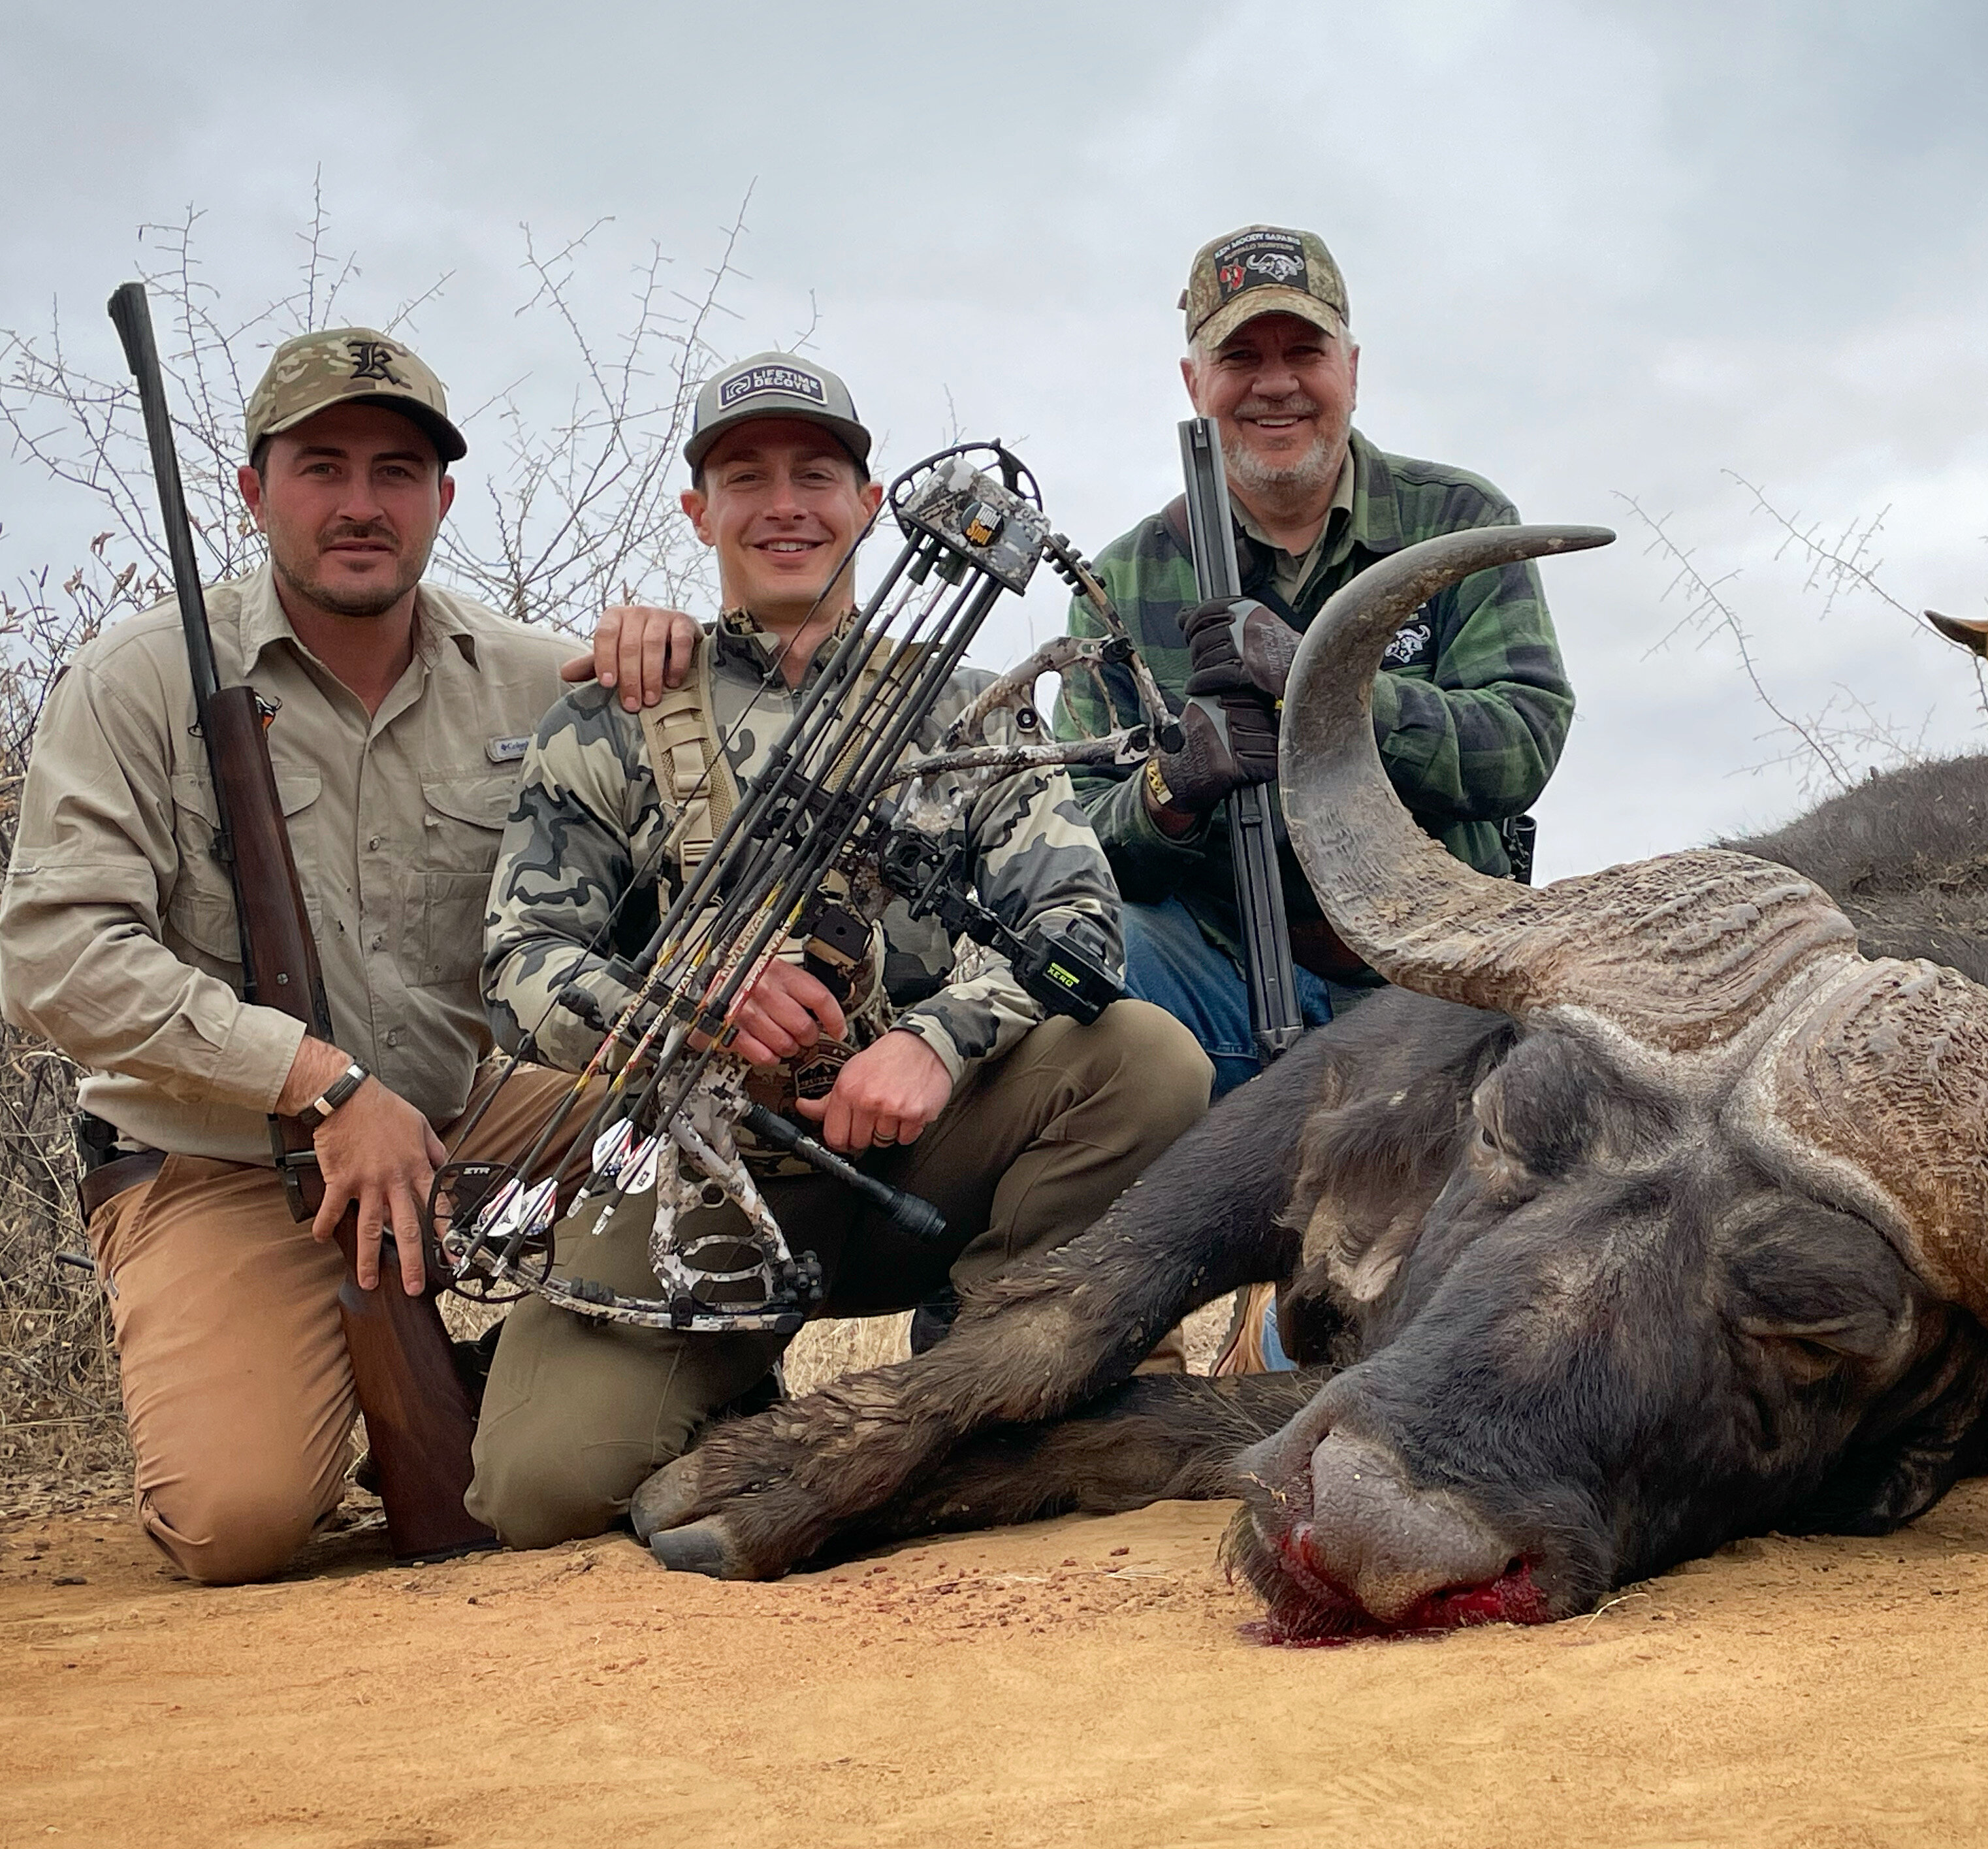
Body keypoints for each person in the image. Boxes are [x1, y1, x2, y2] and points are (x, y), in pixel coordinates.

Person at [470, 353, 1211, 1547]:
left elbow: (1080, 936)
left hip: (927, 1153)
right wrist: (682, 1009)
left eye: (818, 474)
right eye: (745, 476)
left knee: (1146, 1058)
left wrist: (936, 1037)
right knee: (538, 1492)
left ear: (869, 505)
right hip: (706, 1165)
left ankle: (983, 1368)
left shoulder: (972, 711)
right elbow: (520, 962)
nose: (785, 505)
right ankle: (725, 1378)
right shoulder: (610, 714)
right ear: (697, 510)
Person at [0, 327, 595, 1584]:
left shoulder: (541, 679)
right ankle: (362, 1389)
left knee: (716, 1107)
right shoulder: (134, 682)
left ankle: (560, 1389)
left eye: (397, 470)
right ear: (253, 488)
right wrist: (321, 1084)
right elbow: (57, 955)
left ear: (443, 495)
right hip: (221, 1165)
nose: (362, 504)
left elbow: (691, 803)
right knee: (241, 1521)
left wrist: (672, 648)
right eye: (322, 467)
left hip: (466, 1129)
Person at [1053, 224, 1577, 1099]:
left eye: (1305, 351)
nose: (1276, 384)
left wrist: (1321, 686)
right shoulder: (1122, 579)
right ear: (1195, 383)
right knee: (1078, 959)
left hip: (1441, 969)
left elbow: (1522, 742)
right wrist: (1170, 793)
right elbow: (1078, 839)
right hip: (1217, 974)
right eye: (1240, 357)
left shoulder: (1460, 520)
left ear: (1353, 368)